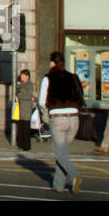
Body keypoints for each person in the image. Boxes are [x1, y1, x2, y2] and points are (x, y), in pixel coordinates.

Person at [39, 51, 85, 194]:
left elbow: (41, 101)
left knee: (59, 153)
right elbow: (80, 95)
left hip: (58, 117)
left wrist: (45, 116)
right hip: (74, 118)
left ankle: (74, 173)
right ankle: (58, 185)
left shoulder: (48, 78)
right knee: (63, 152)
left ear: (53, 63)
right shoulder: (73, 77)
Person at [14, 69, 36, 151]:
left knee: (26, 126)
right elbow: (17, 91)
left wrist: (19, 96)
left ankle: (26, 145)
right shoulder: (21, 84)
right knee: (21, 126)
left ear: (27, 76)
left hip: (26, 108)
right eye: (21, 75)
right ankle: (21, 144)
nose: (21, 77)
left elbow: (28, 96)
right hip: (21, 107)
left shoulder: (29, 85)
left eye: (23, 75)